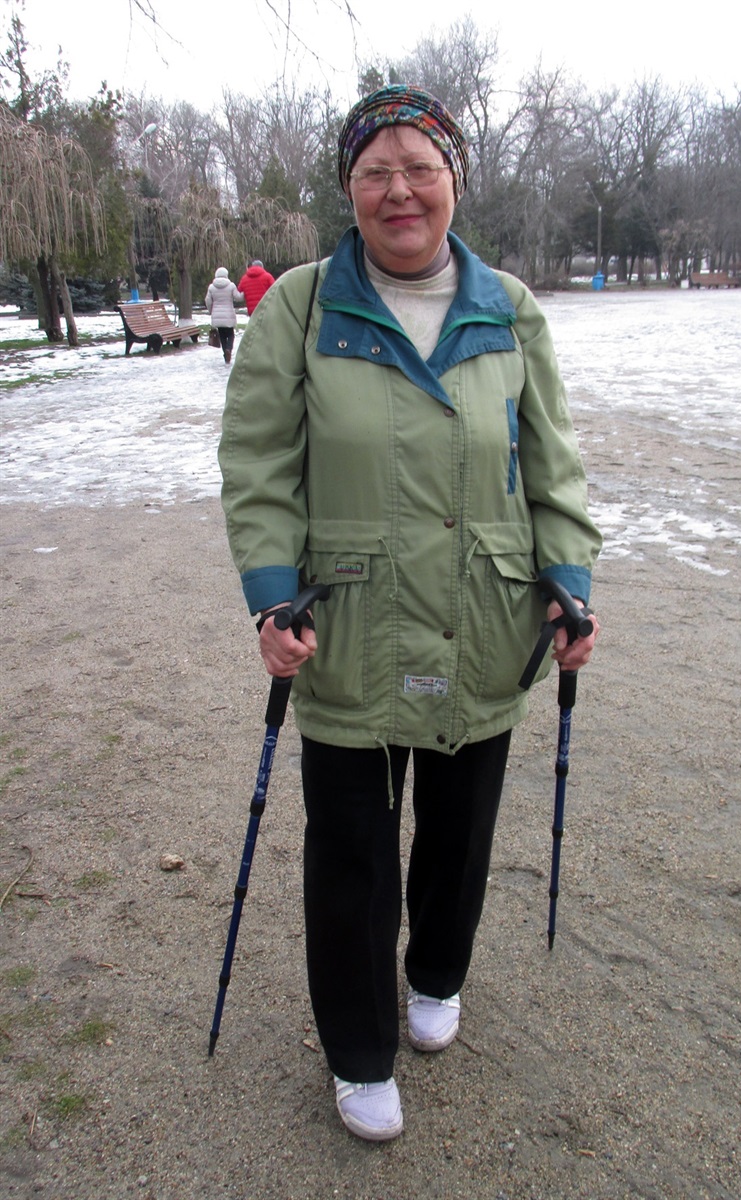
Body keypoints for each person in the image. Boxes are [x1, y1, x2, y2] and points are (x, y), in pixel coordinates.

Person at [218, 85, 601, 1142]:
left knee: (460, 833)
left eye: (419, 168)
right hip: (345, 623)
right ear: (349, 188)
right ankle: (357, 1049)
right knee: (350, 848)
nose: (399, 191)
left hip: (484, 615)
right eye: (374, 171)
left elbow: (554, 464)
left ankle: (437, 972)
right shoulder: (301, 306)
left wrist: (567, 581)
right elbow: (258, 463)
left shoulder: (508, 307)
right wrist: (271, 595)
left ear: (453, 181)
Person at [205, 267, 244, 363]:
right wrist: (244, 293)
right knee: (230, 334)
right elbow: (238, 297)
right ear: (226, 275)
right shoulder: (231, 286)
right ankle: (228, 350)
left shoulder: (211, 287)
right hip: (228, 314)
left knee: (222, 335)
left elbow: (208, 300)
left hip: (217, 315)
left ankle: (225, 353)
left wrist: (211, 311)